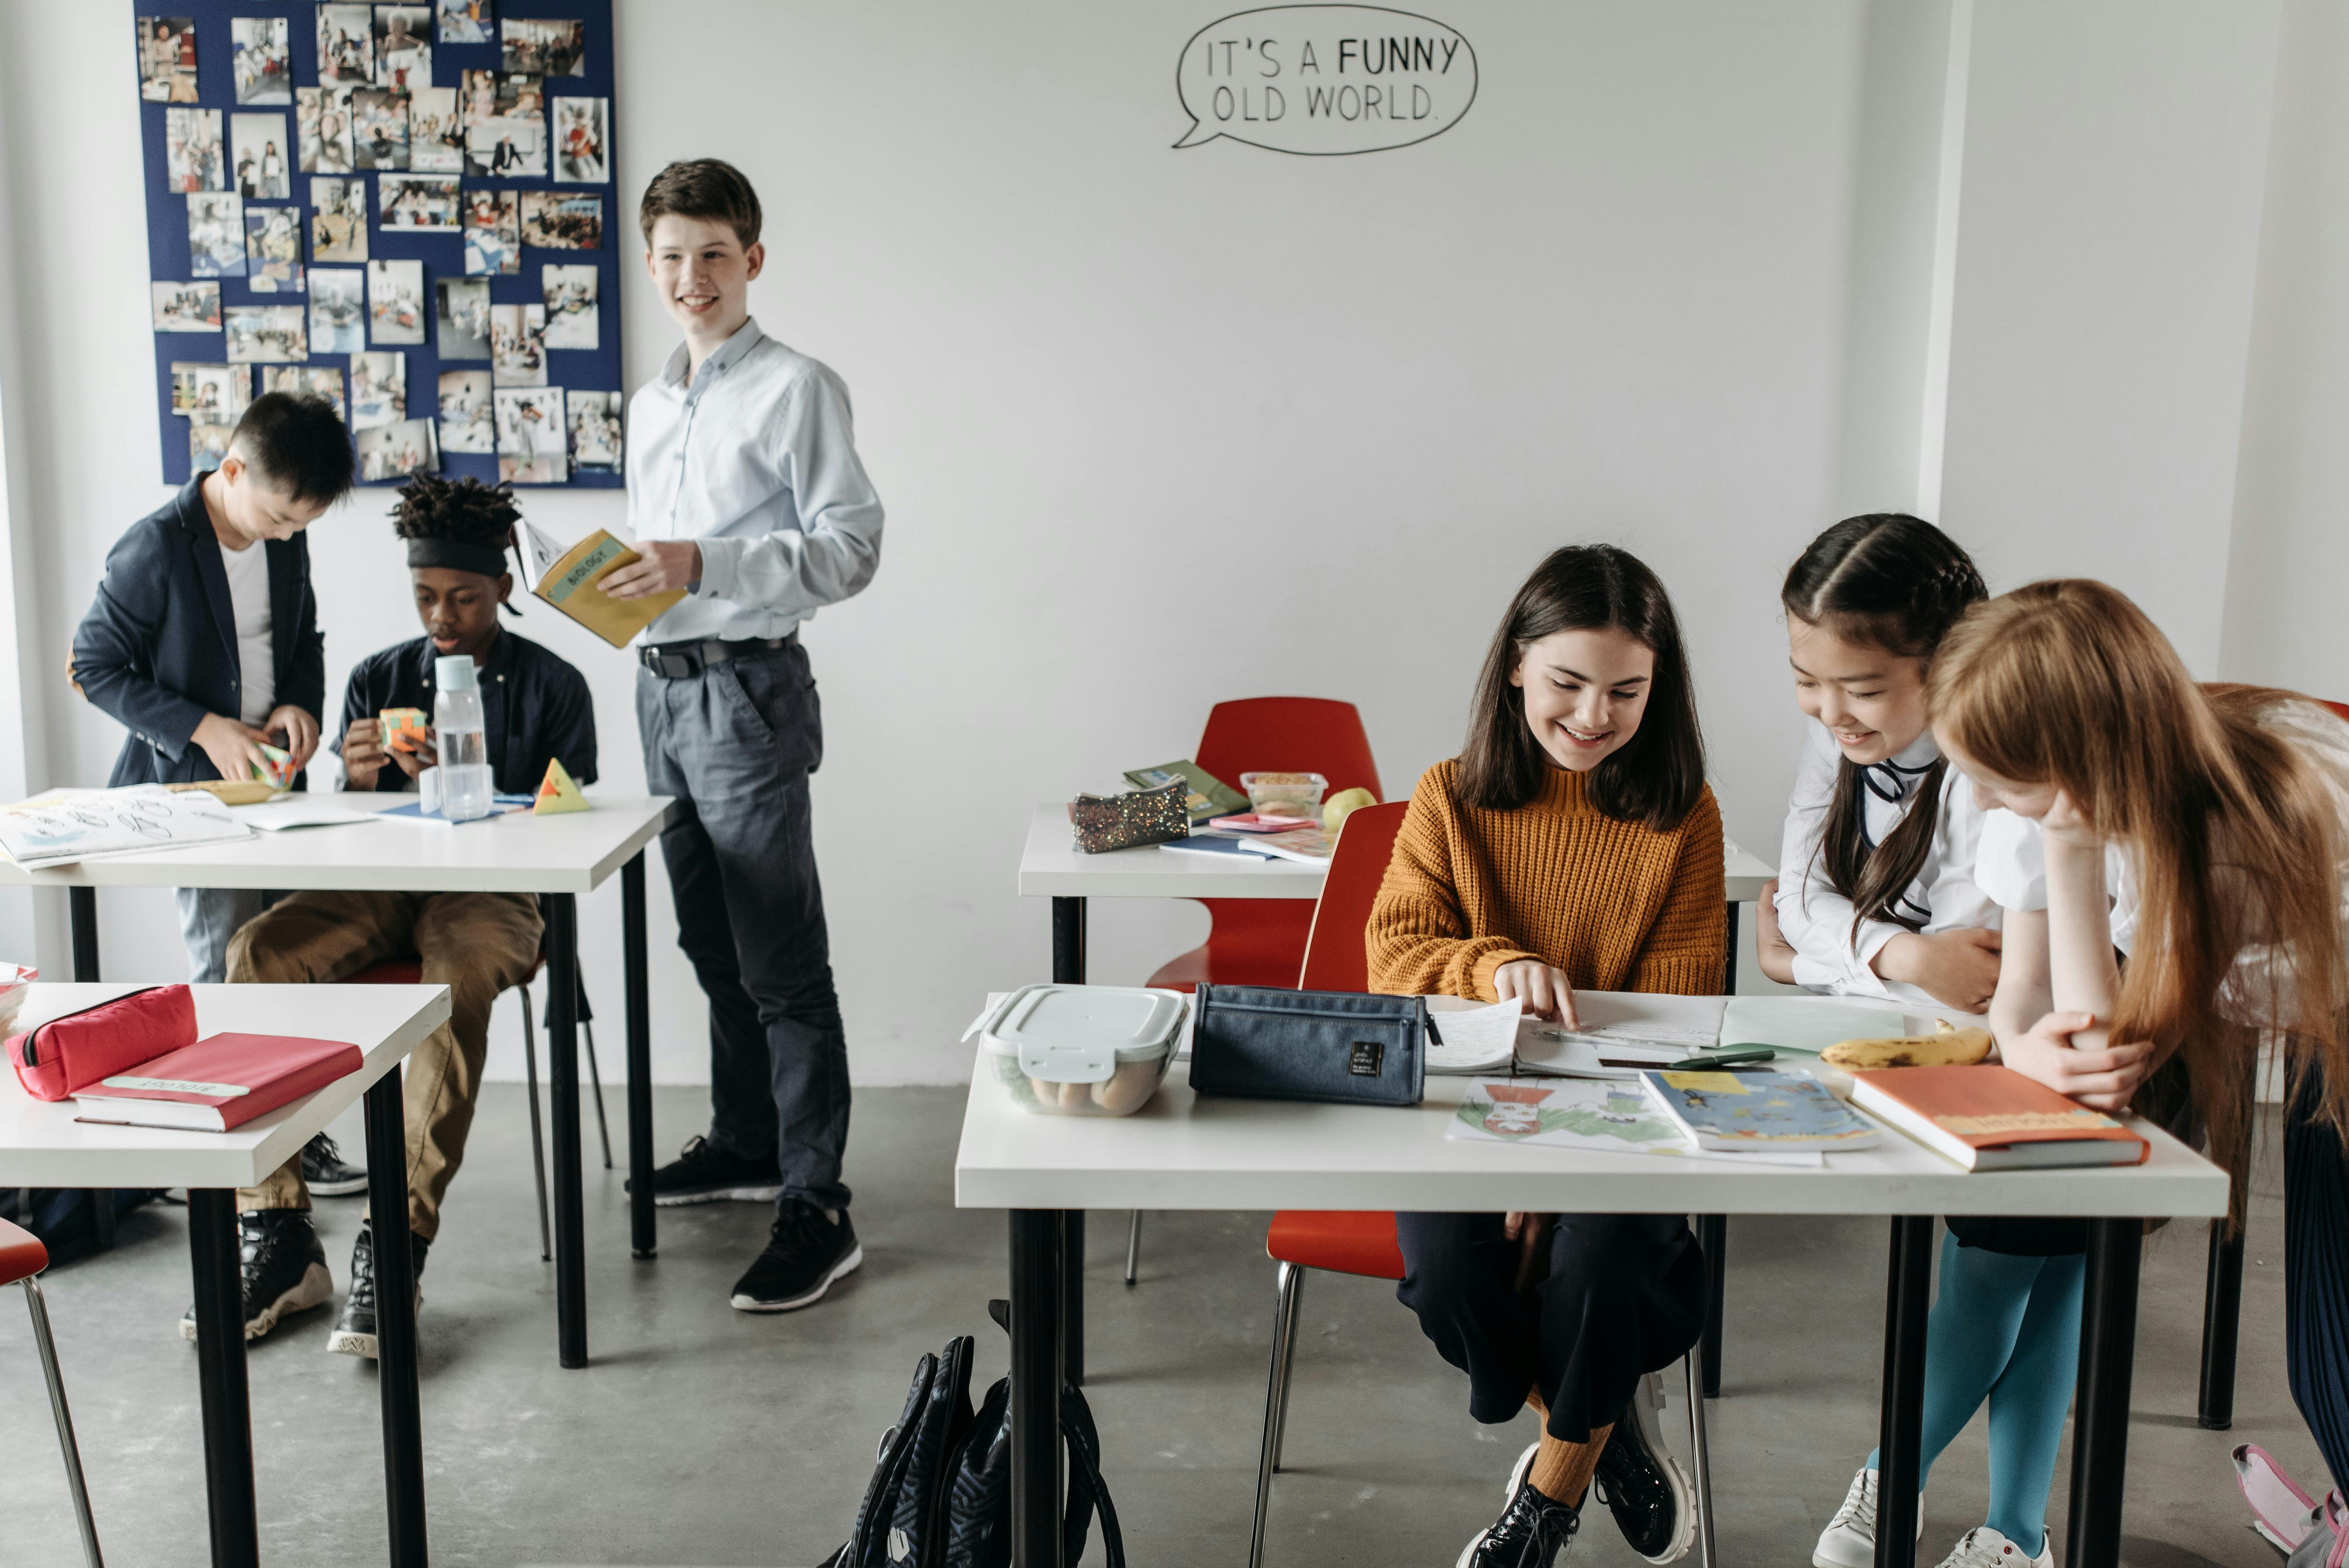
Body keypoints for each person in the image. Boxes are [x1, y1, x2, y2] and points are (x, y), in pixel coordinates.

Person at [1924, 580, 2349, 1568]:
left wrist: (2070, 852)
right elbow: (2036, 1010)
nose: (1980, 798)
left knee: (2331, 1359)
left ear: (2080, 764)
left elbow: (2114, 1050)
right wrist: (2021, 1045)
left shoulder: (2246, 827)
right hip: (2311, 1030)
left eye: (2000, 779)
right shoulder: (2066, 796)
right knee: (2318, 1358)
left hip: (2336, 1024)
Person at [1366, 544, 1721, 1566]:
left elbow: (1678, 1006)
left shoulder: (1681, 814)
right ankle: (1596, 1420)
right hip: (1459, 1105)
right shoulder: (1448, 793)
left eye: (1625, 690)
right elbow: (1392, 954)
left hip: (1620, 1112)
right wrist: (1494, 964)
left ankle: (1550, 1494)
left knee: (1604, 1259)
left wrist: (1552, 1160)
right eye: (1565, 681)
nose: (1591, 713)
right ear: (1515, 665)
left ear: (1660, 689)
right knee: (1442, 1275)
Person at [213, 476, 597, 1353]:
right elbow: (342, 827)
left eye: (463, 596)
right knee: (258, 952)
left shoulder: (553, 684)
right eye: (425, 596)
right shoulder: (379, 676)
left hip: (493, 892)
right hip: (382, 879)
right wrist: (353, 778)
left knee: (451, 985)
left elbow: (577, 807)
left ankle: (397, 1239)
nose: (443, 616)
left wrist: (495, 787)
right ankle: (275, 1231)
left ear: (502, 586)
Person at [601, 158, 885, 1313]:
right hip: (657, 685)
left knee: (778, 959)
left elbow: (851, 546)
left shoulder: (798, 387)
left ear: (751, 260)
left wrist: (704, 562)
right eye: (668, 255)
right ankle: (747, 1135)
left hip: (745, 690)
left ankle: (817, 1203)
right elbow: (657, 565)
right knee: (707, 940)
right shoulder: (651, 401)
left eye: (711, 253)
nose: (688, 277)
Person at [1758, 514, 1998, 1010]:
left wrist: (1793, 965)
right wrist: (1906, 956)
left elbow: (1965, 982)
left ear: (1948, 666)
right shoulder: (1836, 732)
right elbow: (1799, 902)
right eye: (1807, 682)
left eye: (1863, 691)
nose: (1830, 713)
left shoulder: (1987, 772)